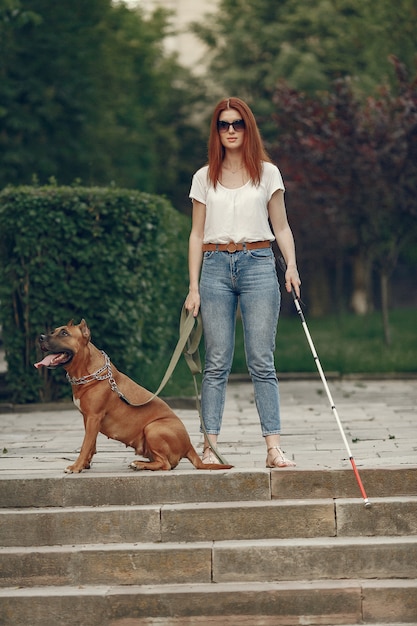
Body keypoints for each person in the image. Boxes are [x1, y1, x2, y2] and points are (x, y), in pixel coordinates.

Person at [184, 97, 301, 468]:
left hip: (259, 264)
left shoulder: (268, 173)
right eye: (223, 124)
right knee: (216, 361)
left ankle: (273, 448)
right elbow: (196, 234)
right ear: (216, 131)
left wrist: (292, 267)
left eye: (237, 124)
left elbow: (281, 226)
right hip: (215, 266)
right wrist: (193, 286)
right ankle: (209, 447)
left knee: (261, 360)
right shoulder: (204, 177)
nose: (231, 130)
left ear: (247, 128)